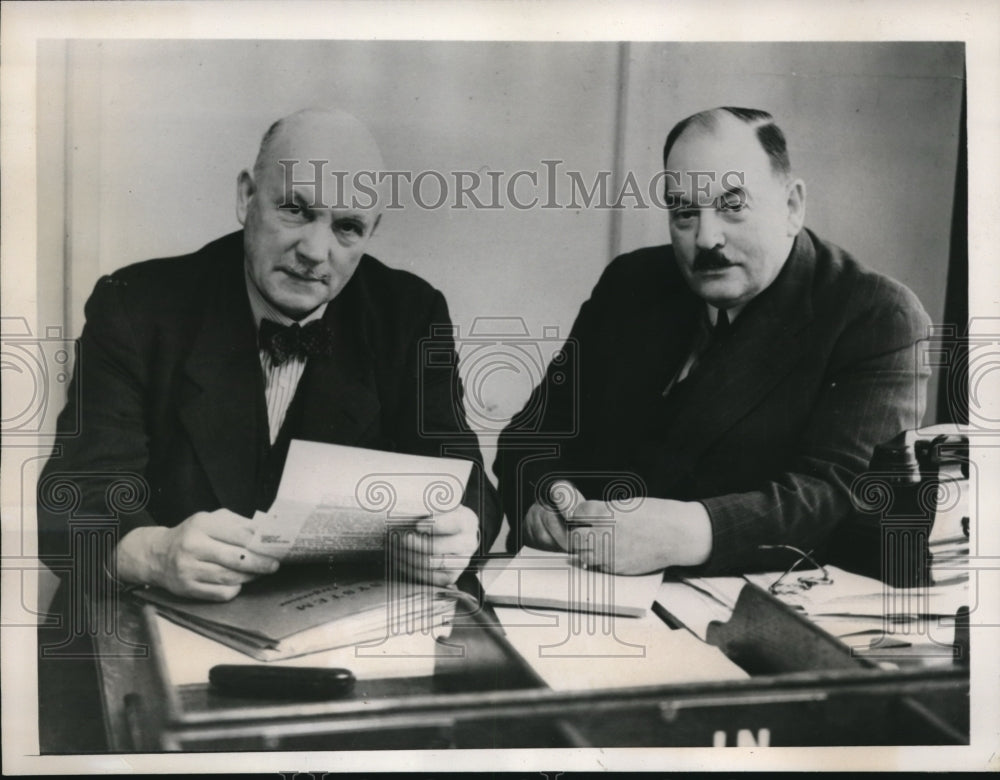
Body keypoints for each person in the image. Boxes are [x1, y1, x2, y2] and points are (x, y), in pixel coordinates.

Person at [38, 108, 501, 602]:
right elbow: (71, 497)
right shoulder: (136, 305)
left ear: (370, 232)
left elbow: (464, 478)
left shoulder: (410, 316)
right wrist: (154, 553)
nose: (315, 251)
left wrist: (460, 532)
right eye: (296, 210)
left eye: (347, 227)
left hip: (331, 641)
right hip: (155, 621)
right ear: (246, 196)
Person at [495, 106, 931, 576]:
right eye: (684, 212)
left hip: (752, 611)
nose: (706, 238)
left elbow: (842, 492)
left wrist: (688, 532)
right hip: (582, 590)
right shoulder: (632, 283)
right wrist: (547, 500)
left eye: (732, 205)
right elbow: (530, 437)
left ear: (792, 206)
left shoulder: (876, 314)